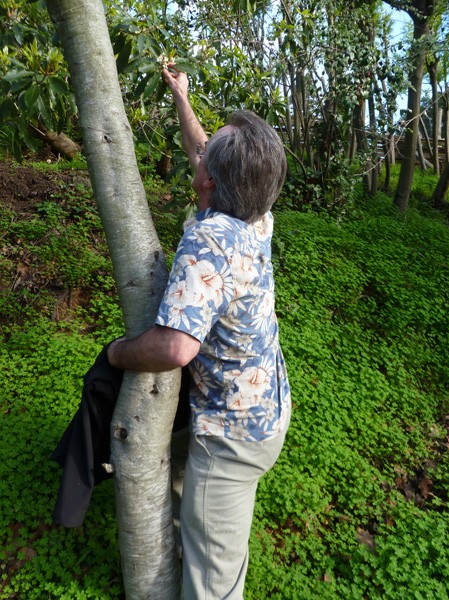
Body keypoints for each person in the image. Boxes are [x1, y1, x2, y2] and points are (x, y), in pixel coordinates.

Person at [107, 64, 291, 600]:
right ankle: (193, 521)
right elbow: (203, 149)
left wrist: (116, 353)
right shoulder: (256, 211)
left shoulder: (211, 240)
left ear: (210, 180)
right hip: (266, 407)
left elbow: (175, 346)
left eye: (207, 159)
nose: (200, 153)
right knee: (191, 492)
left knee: (216, 585)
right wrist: (181, 96)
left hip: (232, 437)